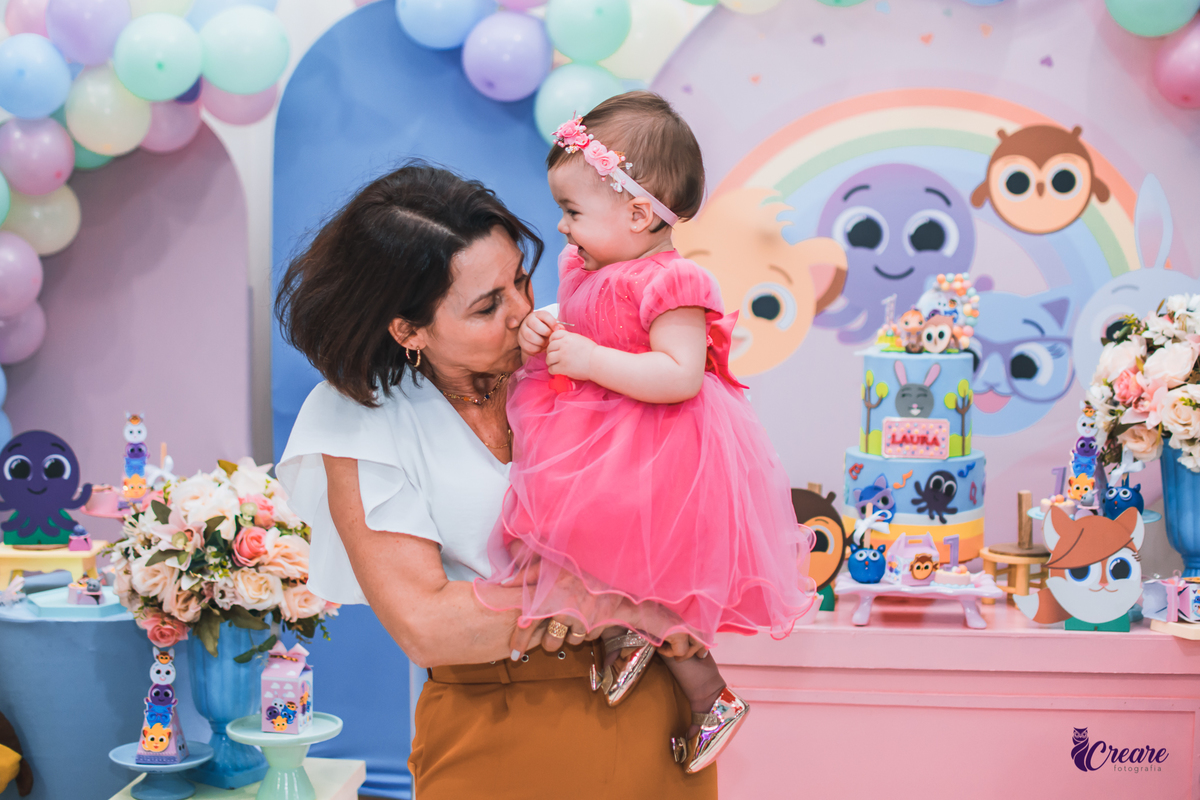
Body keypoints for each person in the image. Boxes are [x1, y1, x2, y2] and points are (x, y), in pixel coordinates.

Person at [274, 162, 717, 798]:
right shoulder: (359, 415)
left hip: (652, 706)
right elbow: (425, 623)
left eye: (521, 280)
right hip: (494, 727)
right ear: (409, 330)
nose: (522, 313)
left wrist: (566, 594)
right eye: (487, 306)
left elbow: (694, 497)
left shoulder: (589, 344)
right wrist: (605, 595)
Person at [473, 92, 816, 774]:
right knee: (590, 552)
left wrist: (594, 360)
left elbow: (682, 374)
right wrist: (547, 326)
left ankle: (708, 692)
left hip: (661, 446)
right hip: (594, 434)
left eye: (573, 211)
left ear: (635, 212)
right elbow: (580, 319)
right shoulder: (588, 269)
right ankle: (624, 638)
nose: (562, 229)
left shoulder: (673, 281)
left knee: (631, 561)